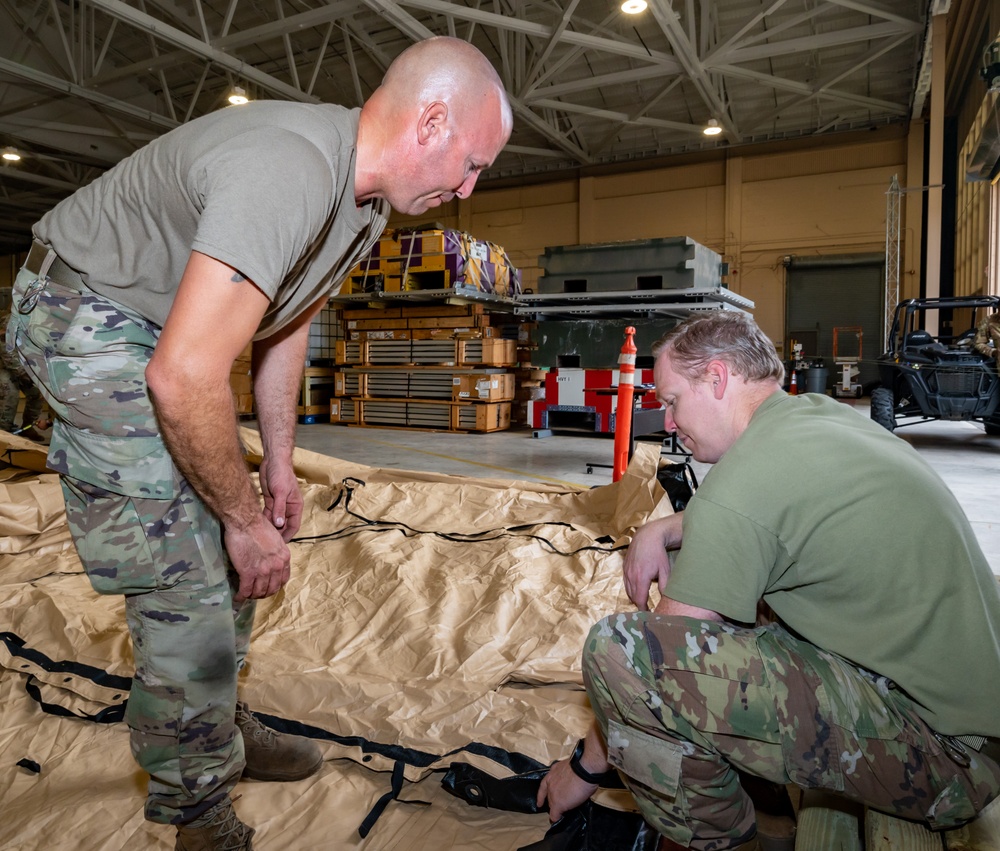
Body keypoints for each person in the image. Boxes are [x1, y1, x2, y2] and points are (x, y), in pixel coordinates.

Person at [7, 36, 512, 851]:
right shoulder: (291, 168)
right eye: (473, 162)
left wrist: (274, 465)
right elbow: (182, 377)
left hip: (159, 334)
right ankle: (198, 810)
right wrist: (239, 520)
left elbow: (285, 330)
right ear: (430, 121)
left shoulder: (365, 201)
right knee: (188, 568)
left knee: (239, 530)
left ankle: (218, 723)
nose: (468, 187)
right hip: (86, 316)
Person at [538, 311, 1000, 851]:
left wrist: (584, 770)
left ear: (716, 379)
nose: (666, 422)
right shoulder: (816, 418)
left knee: (621, 653)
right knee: (741, 601)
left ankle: (721, 842)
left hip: (947, 760)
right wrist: (666, 526)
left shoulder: (743, 481)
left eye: (671, 401)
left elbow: (654, 667)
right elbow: (780, 518)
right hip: (970, 717)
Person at [0, 306, 50, 441]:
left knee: (37, 393)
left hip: (25, 367)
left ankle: (28, 427)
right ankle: (4, 432)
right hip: (5, 367)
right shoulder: (9, 322)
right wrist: (29, 376)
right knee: (9, 394)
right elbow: (8, 356)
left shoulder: (38, 321)